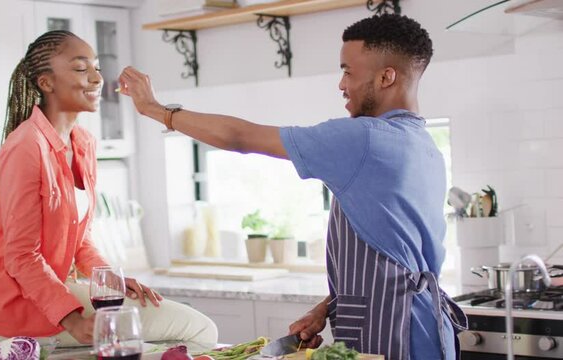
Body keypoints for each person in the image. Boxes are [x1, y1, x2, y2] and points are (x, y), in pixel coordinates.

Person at [118, 14, 467, 360]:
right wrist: (329, 307)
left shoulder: (364, 138)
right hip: (423, 328)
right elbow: (398, 257)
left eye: (347, 71)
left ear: (386, 76)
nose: (341, 85)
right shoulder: (423, 144)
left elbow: (240, 136)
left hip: (396, 334)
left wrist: (155, 109)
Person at [0, 30, 217, 347]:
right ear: (46, 83)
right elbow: (21, 256)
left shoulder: (83, 144)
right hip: (20, 306)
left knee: (169, 338)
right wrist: (73, 320)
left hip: (53, 294)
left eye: (97, 67)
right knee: (198, 331)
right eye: (80, 68)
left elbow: (80, 240)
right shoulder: (26, 148)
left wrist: (111, 281)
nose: (97, 78)